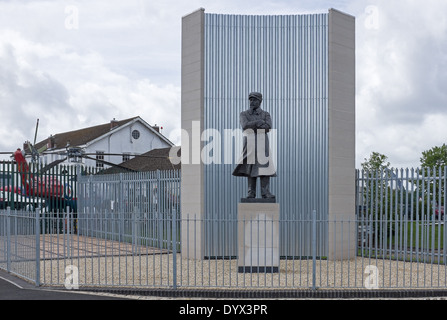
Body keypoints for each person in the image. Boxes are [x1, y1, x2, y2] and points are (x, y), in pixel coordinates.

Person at [232, 92, 276, 199]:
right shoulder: (244, 114)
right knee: (250, 168)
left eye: (254, 100)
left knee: (265, 168)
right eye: (250, 100)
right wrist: (259, 122)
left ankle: (265, 192)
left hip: (262, 145)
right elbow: (245, 126)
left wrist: (253, 126)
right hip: (250, 144)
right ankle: (251, 192)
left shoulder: (265, 114)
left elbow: (268, 127)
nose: (252, 102)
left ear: (259, 101)